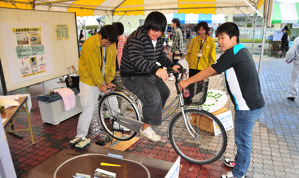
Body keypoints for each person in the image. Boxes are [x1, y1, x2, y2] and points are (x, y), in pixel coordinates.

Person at [179, 22, 265, 178]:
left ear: (234, 38)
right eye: (219, 38)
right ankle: (238, 163)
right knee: (241, 137)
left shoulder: (234, 53)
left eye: (223, 38)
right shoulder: (239, 50)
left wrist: (187, 82)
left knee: (243, 140)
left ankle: (239, 174)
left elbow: (210, 70)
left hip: (248, 106)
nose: (220, 41)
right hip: (247, 104)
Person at [120, 11, 180, 142]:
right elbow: (136, 59)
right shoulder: (137, 37)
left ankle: (151, 115)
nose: (156, 33)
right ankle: (145, 129)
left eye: (159, 30)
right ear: (148, 25)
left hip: (146, 73)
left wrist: (171, 65)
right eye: (154, 29)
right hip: (132, 75)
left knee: (165, 92)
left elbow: (160, 56)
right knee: (154, 98)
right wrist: (156, 69)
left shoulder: (158, 39)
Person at [75, 25, 118, 140]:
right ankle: (80, 136)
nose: (108, 45)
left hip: (102, 79)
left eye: (110, 43)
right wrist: (100, 84)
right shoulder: (89, 44)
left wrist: (108, 80)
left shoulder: (112, 44)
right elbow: (93, 67)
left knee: (113, 101)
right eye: (106, 42)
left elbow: (112, 63)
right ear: (100, 35)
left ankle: (117, 124)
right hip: (88, 80)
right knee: (88, 108)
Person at [185, 21, 216, 104]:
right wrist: (190, 62)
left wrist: (208, 67)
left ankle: (199, 102)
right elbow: (188, 53)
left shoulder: (210, 41)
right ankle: (189, 101)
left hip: (203, 69)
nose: (201, 32)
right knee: (191, 84)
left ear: (206, 30)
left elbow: (212, 57)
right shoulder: (194, 40)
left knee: (201, 87)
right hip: (193, 67)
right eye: (199, 30)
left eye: (203, 30)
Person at [286, 36, 299, 101]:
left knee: (295, 78)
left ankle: (293, 94)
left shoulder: (298, 39)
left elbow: (291, 52)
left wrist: (287, 59)